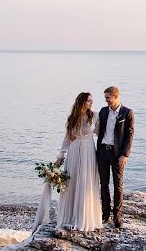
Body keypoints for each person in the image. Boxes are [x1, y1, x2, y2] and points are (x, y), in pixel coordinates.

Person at [54, 92, 102, 231]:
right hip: (74, 151)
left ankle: (85, 217)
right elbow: (67, 138)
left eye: (92, 101)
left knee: (86, 182)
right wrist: (61, 155)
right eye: (88, 101)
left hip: (88, 151)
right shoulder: (72, 118)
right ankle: (70, 216)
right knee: (72, 181)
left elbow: (100, 134)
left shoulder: (95, 116)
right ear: (81, 102)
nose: (91, 103)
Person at [97, 86, 135, 228]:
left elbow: (130, 135)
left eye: (108, 98)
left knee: (118, 185)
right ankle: (105, 214)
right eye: (105, 98)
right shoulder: (103, 111)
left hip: (117, 154)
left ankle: (117, 216)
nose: (106, 101)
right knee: (104, 184)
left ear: (116, 97)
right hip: (102, 152)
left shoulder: (127, 113)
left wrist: (125, 155)